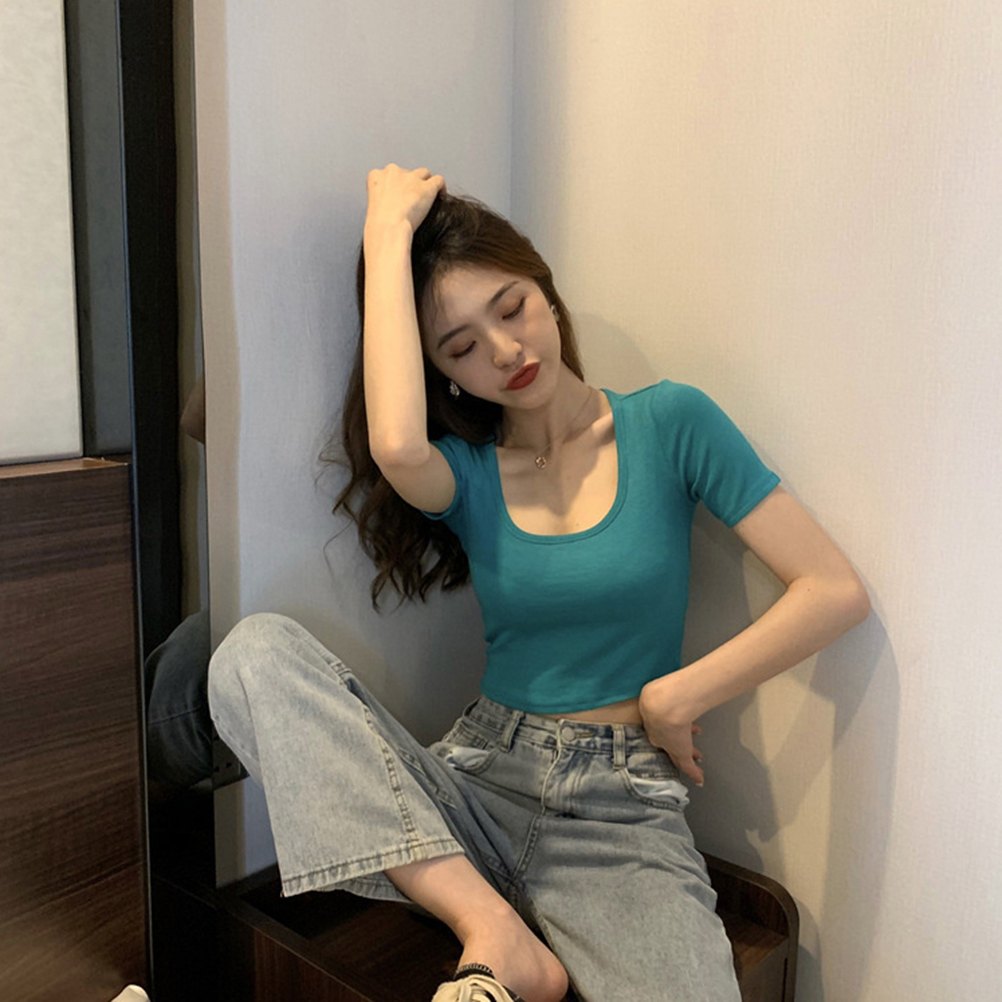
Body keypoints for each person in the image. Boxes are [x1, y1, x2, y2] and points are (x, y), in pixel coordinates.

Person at [207, 165, 871, 1002]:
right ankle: (491, 928)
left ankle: (495, 929)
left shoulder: (670, 423)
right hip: (477, 782)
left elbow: (832, 589)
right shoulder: (469, 472)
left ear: (546, 293)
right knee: (251, 656)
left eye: (512, 308)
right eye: (461, 347)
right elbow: (396, 444)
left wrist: (678, 695)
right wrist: (387, 229)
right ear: (444, 373)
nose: (505, 351)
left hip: (620, 815)